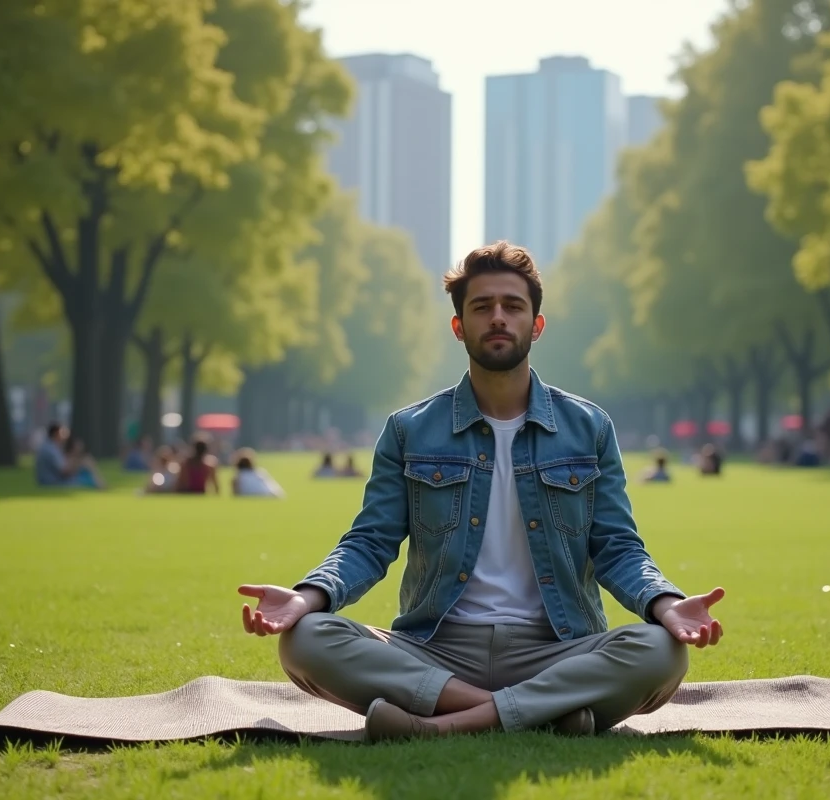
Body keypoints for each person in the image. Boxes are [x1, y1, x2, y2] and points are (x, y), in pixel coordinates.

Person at [238, 241, 724, 744]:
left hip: (557, 649)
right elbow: (369, 542)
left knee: (662, 651)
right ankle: (541, 715)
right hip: (436, 650)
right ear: (459, 327)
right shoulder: (409, 430)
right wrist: (307, 596)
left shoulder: (589, 427)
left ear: (535, 325)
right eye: (482, 307)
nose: (498, 318)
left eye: (513, 306)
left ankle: (441, 726)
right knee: (306, 640)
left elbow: (618, 548)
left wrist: (666, 605)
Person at [34, 422, 78, 487]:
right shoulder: (51, 449)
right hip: (53, 482)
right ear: (55, 434)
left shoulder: (48, 446)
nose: (66, 435)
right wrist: (79, 463)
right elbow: (64, 471)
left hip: (49, 481)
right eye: (62, 432)